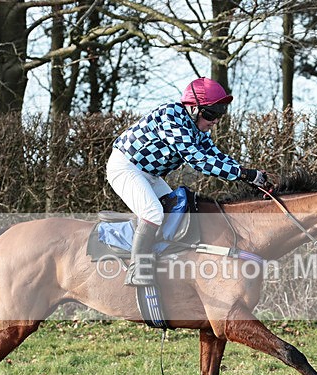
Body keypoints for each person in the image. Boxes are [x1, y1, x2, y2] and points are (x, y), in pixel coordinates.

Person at [107, 77, 270, 286]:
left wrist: (250, 176)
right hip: (125, 167)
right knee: (153, 213)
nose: (215, 120)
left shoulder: (198, 129)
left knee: (175, 215)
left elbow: (215, 156)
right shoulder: (171, 116)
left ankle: (163, 263)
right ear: (193, 109)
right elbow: (197, 160)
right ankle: (136, 270)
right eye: (211, 113)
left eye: (220, 114)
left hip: (150, 174)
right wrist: (243, 174)